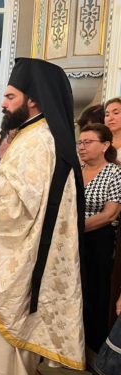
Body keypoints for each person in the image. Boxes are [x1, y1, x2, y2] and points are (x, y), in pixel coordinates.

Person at [0, 58, 86, 375]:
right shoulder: (32, 134)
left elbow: (23, 201)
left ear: (32, 99)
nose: (4, 103)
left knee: (13, 306)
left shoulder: (39, 140)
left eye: (10, 96)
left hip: (26, 246)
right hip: (22, 241)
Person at [77, 123, 121, 351]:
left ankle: (93, 345)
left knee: (95, 290)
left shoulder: (114, 172)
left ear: (105, 145)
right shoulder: (75, 171)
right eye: (80, 142)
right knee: (73, 289)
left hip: (98, 239)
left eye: (88, 142)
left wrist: (76, 228)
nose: (82, 147)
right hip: (71, 238)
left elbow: (110, 213)